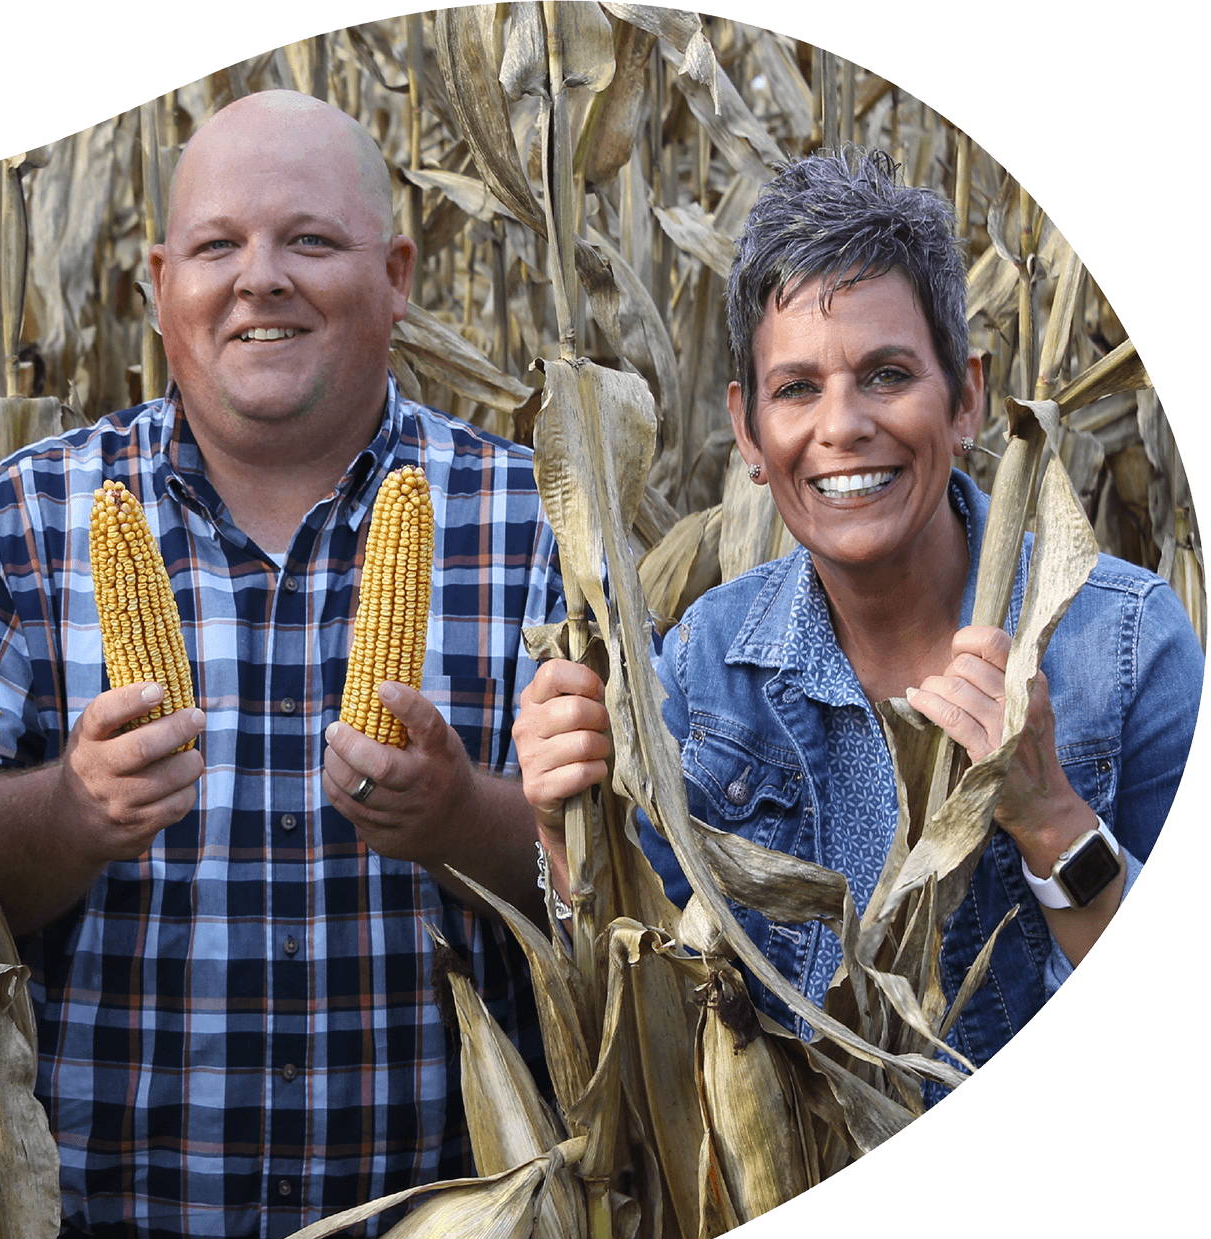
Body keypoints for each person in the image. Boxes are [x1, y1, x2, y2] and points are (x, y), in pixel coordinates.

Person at [0, 90, 562, 1239]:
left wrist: (463, 818)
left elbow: (625, 891)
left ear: (394, 276)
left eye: (310, 243)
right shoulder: (29, 515)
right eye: (219, 247)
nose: (260, 281)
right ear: (159, 282)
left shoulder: (524, 520)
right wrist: (72, 811)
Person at [515, 148, 1202, 1103]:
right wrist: (565, 833)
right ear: (748, 434)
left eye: (886, 374)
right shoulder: (702, 665)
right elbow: (652, 1032)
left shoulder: (1125, 645)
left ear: (965, 398)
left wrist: (1051, 820)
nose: (842, 426)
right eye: (796, 388)